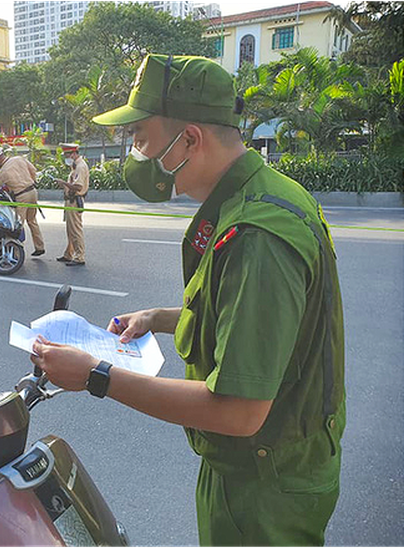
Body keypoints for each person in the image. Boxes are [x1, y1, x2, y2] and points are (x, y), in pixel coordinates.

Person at [31, 54, 345, 546]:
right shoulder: (263, 196)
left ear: (191, 140)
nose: (136, 155)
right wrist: (159, 317)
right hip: (255, 466)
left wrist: (96, 376)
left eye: (141, 140)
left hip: (263, 490)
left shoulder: (257, 234)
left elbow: (239, 411)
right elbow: (260, 318)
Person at [0, 146, 45, 257]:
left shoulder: (3, 172)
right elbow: (33, 170)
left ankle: (16, 252)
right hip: (33, 192)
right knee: (32, 220)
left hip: (21, 197)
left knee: (17, 226)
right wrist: (32, 181)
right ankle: (40, 247)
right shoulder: (19, 159)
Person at [54, 143, 89, 266]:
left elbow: (78, 186)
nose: (66, 158)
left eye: (67, 155)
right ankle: (69, 254)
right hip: (70, 200)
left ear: (74, 154)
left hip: (75, 201)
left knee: (75, 230)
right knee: (70, 230)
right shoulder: (75, 167)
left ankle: (79, 257)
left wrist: (63, 183)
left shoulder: (80, 166)